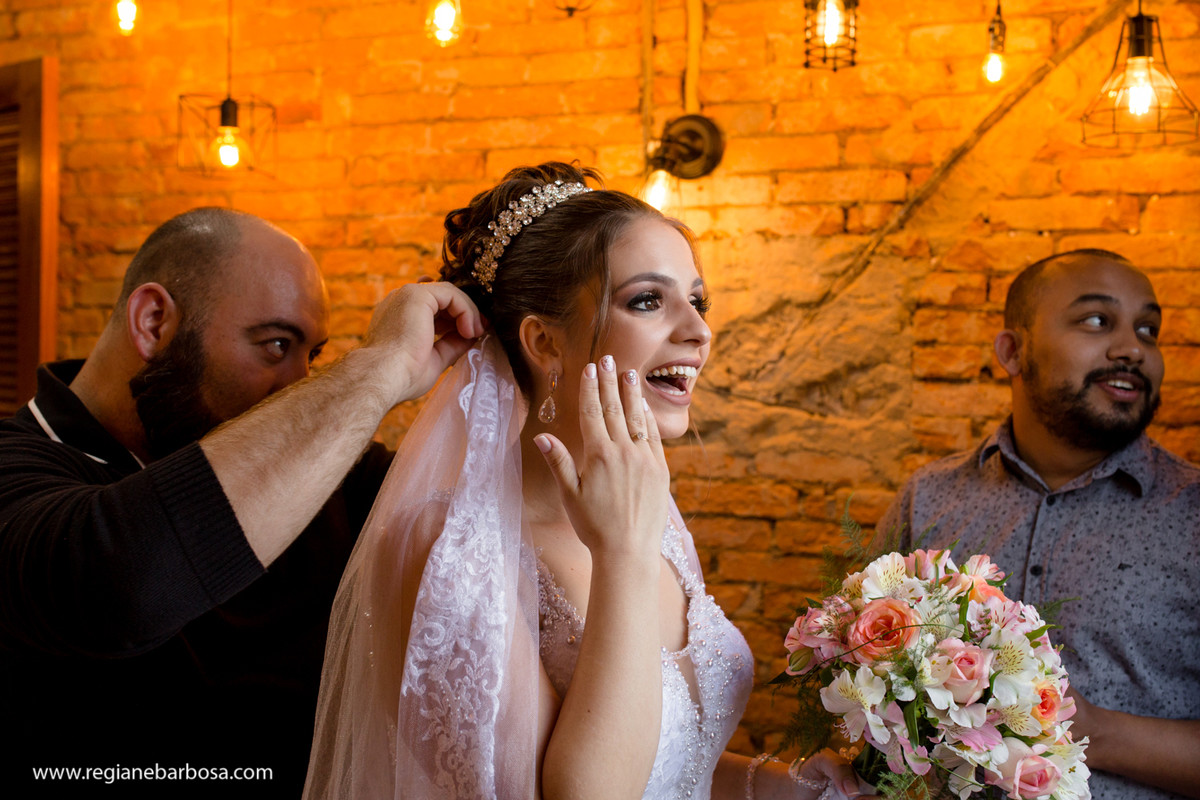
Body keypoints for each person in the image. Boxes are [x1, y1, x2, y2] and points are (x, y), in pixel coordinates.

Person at [303, 163, 874, 800]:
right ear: (545, 341)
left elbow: (672, 763)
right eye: (648, 301)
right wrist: (622, 554)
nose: (699, 331)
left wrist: (787, 787)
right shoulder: (448, 545)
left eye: (698, 300)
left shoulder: (650, 513)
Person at [0, 207, 484, 796]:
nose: (298, 383)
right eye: (275, 345)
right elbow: (119, 583)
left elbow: (483, 525)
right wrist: (380, 367)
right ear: (153, 323)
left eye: (312, 354)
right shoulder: (18, 465)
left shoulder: (328, 474)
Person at [878, 249, 1200, 800]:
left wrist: (1086, 727)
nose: (1132, 349)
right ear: (1013, 350)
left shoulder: (1192, 516)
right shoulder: (927, 499)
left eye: (1148, 330)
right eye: (1097, 320)